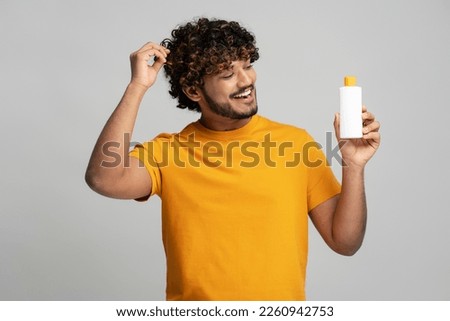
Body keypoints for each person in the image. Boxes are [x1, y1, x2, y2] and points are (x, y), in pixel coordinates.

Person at [85, 17, 380, 300]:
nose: (246, 80)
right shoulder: (168, 152)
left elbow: (345, 242)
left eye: (248, 65)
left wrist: (353, 167)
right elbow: (103, 179)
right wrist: (137, 87)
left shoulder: (296, 144)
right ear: (192, 90)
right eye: (227, 74)